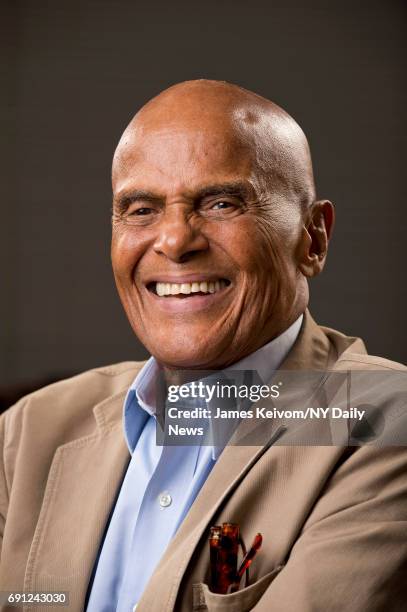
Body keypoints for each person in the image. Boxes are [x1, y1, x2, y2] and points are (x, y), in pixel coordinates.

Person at [0, 80, 406, 612]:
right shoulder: (30, 430)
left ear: (313, 238)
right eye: (141, 209)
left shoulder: (382, 419)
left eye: (220, 203)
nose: (174, 240)